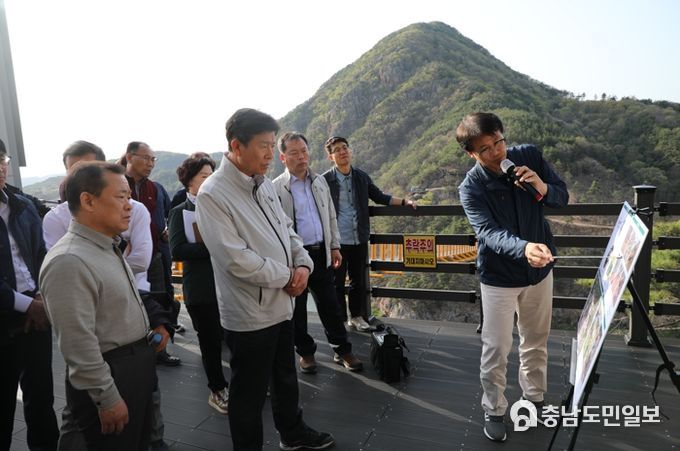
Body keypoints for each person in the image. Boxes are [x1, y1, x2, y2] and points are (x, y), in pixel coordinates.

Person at [196, 108, 334, 451]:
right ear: (236, 145)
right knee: (249, 393)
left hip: (281, 302)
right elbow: (235, 259)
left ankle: (292, 432)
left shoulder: (264, 185)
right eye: (263, 145)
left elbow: (287, 230)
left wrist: (303, 265)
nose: (270, 154)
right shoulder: (213, 193)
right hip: (250, 313)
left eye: (273, 145)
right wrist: (288, 276)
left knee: (285, 377)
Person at [456, 112, 568, 442]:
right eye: (486, 148)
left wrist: (542, 187)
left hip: (539, 270)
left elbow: (561, 196)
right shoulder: (471, 187)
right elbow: (488, 233)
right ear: (472, 154)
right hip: (499, 277)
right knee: (497, 347)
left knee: (536, 339)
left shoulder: (528, 156)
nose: (497, 151)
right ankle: (494, 409)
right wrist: (524, 248)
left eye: (499, 142)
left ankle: (534, 398)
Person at [40, 162, 168, 450]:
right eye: (121, 197)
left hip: (132, 369)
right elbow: (77, 343)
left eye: (129, 197)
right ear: (88, 201)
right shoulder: (69, 260)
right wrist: (106, 397)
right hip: (111, 375)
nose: (130, 206)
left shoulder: (106, 245)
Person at [273, 132, 363, 373]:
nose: (301, 157)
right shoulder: (276, 188)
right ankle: (305, 353)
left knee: (330, 305)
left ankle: (342, 349)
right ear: (283, 157)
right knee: (297, 309)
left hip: (321, 253)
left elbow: (331, 216)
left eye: (304, 151)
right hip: (294, 258)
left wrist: (334, 245)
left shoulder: (319, 182)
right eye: (294, 152)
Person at [0, 139, 59, 450]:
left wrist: (40, 298)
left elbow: (41, 254)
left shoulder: (21, 206)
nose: (0, 168)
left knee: (41, 399)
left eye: (1, 159)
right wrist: (28, 306)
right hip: (7, 319)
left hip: (36, 314)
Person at [322, 136, 416, 331]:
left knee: (358, 280)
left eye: (345, 147)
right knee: (336, 282)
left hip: (359, 237)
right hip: (336, 241)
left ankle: (356, 317)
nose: (343, 152)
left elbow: (379, 197)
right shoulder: (324, 181)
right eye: (337, 150)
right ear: (331, 157)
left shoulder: (361, 177)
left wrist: (404, 202)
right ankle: (340, 321)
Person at [168, 155, 230, 414]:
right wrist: (215, 246)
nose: (209, 180)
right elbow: (177, 250)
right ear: (189, 181)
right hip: (201, 288)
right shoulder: (179, 211)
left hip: (229, 285)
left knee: (236, 337)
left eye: (212, 175)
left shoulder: (223, 206)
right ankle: (217, 389)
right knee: (210, 342)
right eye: (204, 176)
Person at [121, 141, 183, 366]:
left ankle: (160, 349)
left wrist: (165, 230)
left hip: (155, 255)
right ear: (129, 157)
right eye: (146, 158)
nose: (150, 163)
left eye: (153, 159)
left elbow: (168, 213)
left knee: (158, 301)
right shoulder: (117, 185)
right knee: (130, 304)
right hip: (124, 258)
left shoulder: (156, 188)